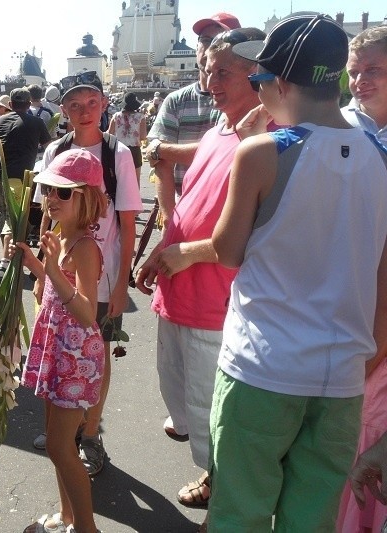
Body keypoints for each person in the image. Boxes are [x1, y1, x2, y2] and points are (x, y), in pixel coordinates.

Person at [209, 14, 387, 531]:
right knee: (312, 515)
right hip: (340, 375)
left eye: (260, 82)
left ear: (280, 83)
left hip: (263, 366)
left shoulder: (264, 151)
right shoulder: (381, 156)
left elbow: (227, 250)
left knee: (239, 508)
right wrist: (373, 351)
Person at [134, 29, 266, 522]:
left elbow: (260, 233)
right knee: (185, 401)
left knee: (218, 416)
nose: (210, 81)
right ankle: (216, 479)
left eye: (223, 71)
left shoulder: (271, 140)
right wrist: (164, 252)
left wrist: (190, 253)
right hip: (180, 293)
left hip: (218, 304)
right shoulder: (216, 134)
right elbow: (190, 206)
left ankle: (227, 510)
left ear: (259, 72)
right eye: (207, 70)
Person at [33, 71, 141, 481]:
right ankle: (61, 426)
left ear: (104, 104)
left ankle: (90, 433)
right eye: (74, 104)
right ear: (63, 110)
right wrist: (43, 274)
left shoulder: (118, 155)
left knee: (97, 353)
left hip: (103, 270)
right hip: (63, 270)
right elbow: (47, 210)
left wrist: (120, 283)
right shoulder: (55, 150)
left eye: (91, 102)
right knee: (62, 348)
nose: (83, 111)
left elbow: (128, 223)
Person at [15, 149, 107, 533]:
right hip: (60, 351)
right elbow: (52, 286)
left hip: (76, 356)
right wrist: (34, 264)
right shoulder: (60, 237)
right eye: (49, 190)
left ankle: (86, 528)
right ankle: (68, 520)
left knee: (59, 446)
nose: (51, 199)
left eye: (63, 193)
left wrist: (51, 267)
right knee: (60, 445)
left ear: (86, 197)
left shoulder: (85, 247)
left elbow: (88, 313)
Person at [337, 25, 387, 533]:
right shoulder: (340, 131)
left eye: (373, 69)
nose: (359, 81)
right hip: (350, 298)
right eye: (353, 71)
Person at [145, 12, 239, 229]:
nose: (210, 48)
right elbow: (162, 165)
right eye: (205, 40)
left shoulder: (243, 99)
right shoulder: (175, 101)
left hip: (228, 214)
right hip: (182, 210)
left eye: (220, 41)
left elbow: (229, 154)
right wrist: (168, 217)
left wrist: (161, 149)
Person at [0, 87, 51, 280]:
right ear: (29, 103)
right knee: (13, 220)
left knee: (5, 215)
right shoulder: (36, 122)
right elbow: (49, 147)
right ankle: (6, 262)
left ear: (10, 104)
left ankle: (8, 260)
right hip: (19, 177)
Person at [106, 92, 147, 184]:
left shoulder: (116, 116)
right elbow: (143, 136)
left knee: (119, 178)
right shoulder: (141, 117)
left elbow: (110, 133)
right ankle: (135, 198)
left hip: (119, 150)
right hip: (135, 150)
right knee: (136, 179)